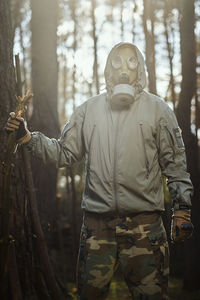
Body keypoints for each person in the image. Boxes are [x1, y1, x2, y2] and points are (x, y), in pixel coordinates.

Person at [6, 42, 194, 300]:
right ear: (108, 68)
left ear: (140, 67)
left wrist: (182, 210)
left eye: (132, 61)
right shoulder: (88, 110)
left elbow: (175, 162)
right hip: (97, 228)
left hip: (145, 228)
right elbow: (64, 152)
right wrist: (27, 138)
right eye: (117, 61)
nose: (124, 68)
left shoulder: (157, 110)